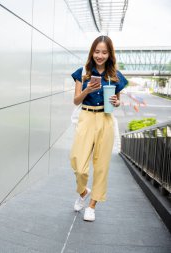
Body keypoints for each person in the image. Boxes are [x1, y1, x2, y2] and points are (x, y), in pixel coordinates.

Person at [70, 35, 128, 221]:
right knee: (78, 163)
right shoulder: (83, 72)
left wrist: (116, 101)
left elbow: (118, 102)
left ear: (110, 54)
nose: (100, 55)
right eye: (97, 51)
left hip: (105, 118)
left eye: (104, 52)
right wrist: (87, 90)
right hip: (86, 116)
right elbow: (76, 100)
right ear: (92, 52)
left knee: (101, 165)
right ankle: (82, 192)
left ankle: (92, 205)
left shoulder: (115, 76)